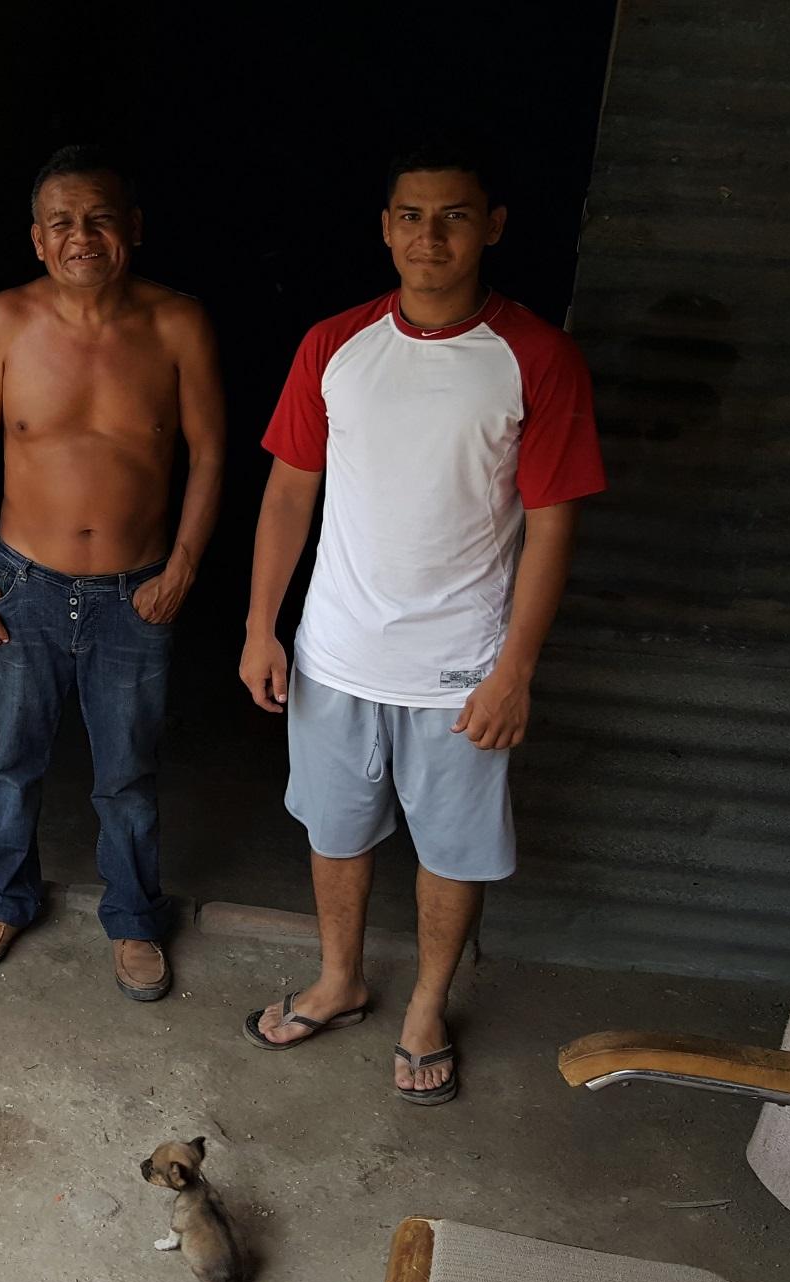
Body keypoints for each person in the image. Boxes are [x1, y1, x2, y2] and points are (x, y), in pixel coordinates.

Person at [238, 136, 604, 1106]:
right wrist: (258, 625)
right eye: (410, 215)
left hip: (460, 669)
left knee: (449, 849)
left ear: (490, 227)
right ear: (384, 228)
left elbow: (552, 523)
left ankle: (426, 1005)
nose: (428, 236)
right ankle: (338, 978)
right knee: (335, 830)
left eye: (452, 216)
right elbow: (286, 492)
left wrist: (513, 670)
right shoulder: (334, 346)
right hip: (335, 655)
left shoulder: (534, 358)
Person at [0, 145, 226, 1000]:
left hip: (134, 591)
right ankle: (4, 894)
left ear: (132, 229)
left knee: (127, 772)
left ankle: (136, 915)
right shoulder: (6, 319)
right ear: (37, 238)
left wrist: (181, 566)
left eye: (99, 218)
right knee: (11, 758)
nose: (81, 236)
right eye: (62, 221)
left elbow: (211, 452)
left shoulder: (177, 323)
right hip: (23, 580)